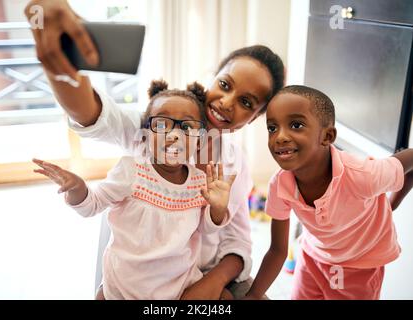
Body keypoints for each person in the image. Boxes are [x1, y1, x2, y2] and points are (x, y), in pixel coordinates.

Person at [24, 0, 285, 299]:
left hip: (203, 277)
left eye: (247, 103)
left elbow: (237, 238)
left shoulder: (235, 161)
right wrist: (60, 68)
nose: (228, 102)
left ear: (255, 118)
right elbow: (91, 115)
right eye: (225, 85)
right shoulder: (155, 127)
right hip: (141, 285)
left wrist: (212, 283)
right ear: (213, 79)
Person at [33, 80, 237, 299]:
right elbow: (91, 205)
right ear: (146, 135)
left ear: (199, 142)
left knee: (225, 298)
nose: (174, 135)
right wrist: (78, 188)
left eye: (187, 127)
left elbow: (205, 230)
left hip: (179, 282)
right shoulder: (132, 171)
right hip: (127, 284)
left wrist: (217, 209)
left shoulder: (199, 181)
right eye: (161, 125)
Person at [245, 85, 413, 300]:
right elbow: (278, 250)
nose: (280, 137)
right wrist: (254, 294)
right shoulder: (280, 185)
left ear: (327, 136)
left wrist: (391, 205)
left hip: (360, 265)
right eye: (272, 128)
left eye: (296, 125)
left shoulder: (365, 175)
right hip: (313, 257)